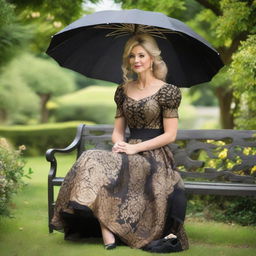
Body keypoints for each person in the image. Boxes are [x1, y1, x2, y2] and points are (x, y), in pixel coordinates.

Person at [51, 33, 189, 253]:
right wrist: (119, 144)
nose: (136, 60)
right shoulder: (123, 90)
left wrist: (135, 147)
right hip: (126, 152)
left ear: (152, 58)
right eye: (132, 56)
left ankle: (108, 229)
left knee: (100, 162)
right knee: (90, 157)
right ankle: (107, 229)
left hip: (154, 157)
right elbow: (117, 132)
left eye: (142, 55)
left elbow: (170, 135)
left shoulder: (168, 91)